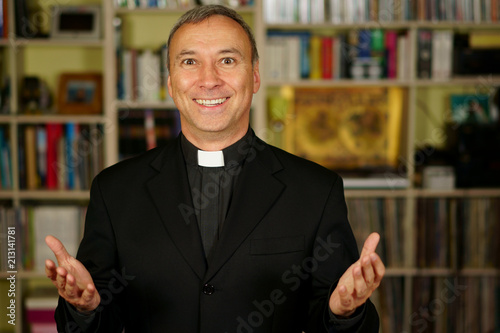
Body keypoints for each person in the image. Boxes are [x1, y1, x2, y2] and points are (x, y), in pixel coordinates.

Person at [45, 5, 385, 332]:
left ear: (254, 77)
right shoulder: (114, 190)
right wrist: (83, 308)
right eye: (190, 61)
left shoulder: (316, 190)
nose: (209, 80)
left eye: (227, 60)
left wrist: (345, 314)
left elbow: (334, 320)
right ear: (170, 83)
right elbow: (96, 323)